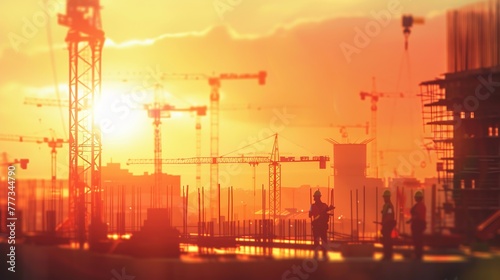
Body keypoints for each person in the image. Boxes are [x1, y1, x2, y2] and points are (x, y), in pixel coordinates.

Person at [309, 190, 334, 260]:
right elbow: (310, 215)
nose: (314, 198)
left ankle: (321, 257)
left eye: (314, 197)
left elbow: (309, 215)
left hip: (320, 226)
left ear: (317, 197)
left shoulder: (313, 206)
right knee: (321, 241)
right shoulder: (323, 206)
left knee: (320, 241)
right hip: (319, 226)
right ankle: (321, 257)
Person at [407, 190, 426, 260]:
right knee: (417, 240)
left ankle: (418, 255)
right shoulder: (421, 205)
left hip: (418, 225)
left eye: (415, 197)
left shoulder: (419, 206)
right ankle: (418, 254)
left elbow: (416, 215)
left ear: (417, 198)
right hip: (419, 224)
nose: (415, 198)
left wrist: (410, 220)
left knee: (417, 240)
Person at [380, 189, 396, 260]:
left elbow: (389, 215)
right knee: (386, 239)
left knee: (387, 240)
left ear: (388, 197)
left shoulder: (389, 206)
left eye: (385, 197)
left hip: (387, 225)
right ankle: (387, 254)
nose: (384, 198)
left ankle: (388, 255)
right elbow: (385, 213)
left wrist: (385, 223)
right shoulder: (387, 205)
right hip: (386, 224)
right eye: (384, 197)